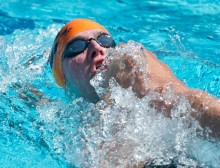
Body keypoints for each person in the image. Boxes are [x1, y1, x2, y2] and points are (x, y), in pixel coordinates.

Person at [48, 18, 220, 137]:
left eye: (104, 40)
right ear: (63, 77)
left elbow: (178, 100)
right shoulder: (60, 123)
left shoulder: (129, 65)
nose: (96, 47)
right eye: (76, 47)